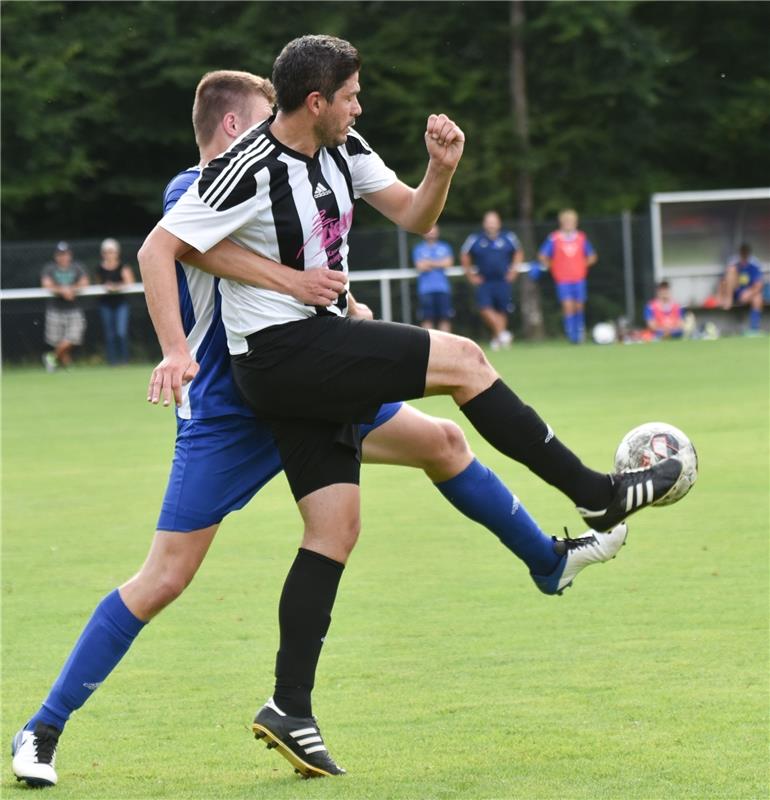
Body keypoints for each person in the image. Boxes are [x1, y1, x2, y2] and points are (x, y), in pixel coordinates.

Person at [11, 68, 628, 790]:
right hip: (229, 411)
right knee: (165, 577)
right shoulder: (193, 189)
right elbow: (183, 249)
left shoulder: (291, 173)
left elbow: (306, 256)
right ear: (238, 127)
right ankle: (42, 728)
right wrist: (194, 341)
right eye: (267, 112)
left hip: (307, 381)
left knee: (441, 442)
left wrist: (345, 306)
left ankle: (548, 562)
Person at [138, 37, 681, 778]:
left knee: (334, 528)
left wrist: (442, 169)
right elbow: (158, 250)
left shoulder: (344, 146)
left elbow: (417, 217)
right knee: (465, 360)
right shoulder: (248, 167)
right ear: (317, 100)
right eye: (352, 94)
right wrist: (176, 349)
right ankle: (596, 495)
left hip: (305, 354)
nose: (361, 105)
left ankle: (288, 708)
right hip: (284, 355)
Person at [460, 210, 521, 349]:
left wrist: (514, 270)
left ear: (499, 223)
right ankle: (503, 334)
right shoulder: (475, 239)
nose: (491, 224)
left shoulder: (508, 237)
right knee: (484, 308)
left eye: (494, 221)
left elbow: (518, 252)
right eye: (489, 221)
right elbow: (464, 255)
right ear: (484, 224)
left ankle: (497, 340)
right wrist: (470, 275)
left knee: (502, 310)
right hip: (485, 281)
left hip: (502, 281)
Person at [538, 209, 597, 344]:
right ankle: (571, 335)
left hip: (579, 278)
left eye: (571, 221)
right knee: (568, 306)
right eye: (566, 222)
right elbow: (542, 255)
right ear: (561, 223)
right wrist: (551, 265)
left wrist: (581, 265)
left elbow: (592, 256)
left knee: (579, 305)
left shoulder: (581, 237)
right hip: (563, 279)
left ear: (575, 223)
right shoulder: (554, 238)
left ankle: (580, 332)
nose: (568, 224)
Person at [40, 241, 89, 371]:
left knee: (73, 338)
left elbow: (84, 282)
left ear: (70, 255)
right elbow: (46, 284)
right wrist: (63, 291)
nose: (63, 257)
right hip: (55, 309)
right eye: (60, 254)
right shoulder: (49, 268)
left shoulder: (77, 267)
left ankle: (51, 357)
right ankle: (67, 367)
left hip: (74, 310)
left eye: (65, 254)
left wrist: (71, 290)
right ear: (56, 256)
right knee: (57, 341)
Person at [97, 238, 135, 365]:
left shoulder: (123, 266)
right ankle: (112, 362)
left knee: (121, 332)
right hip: (105, 304)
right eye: (107, 252)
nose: (109, 254)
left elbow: (130, 282)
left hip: (121, 304)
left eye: (112, 251)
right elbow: (97, 285)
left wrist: (116, 287)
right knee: (110, 334)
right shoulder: (99, 268)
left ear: (117, 252)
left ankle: (124, 361)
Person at [412, 224, 454, 331]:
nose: (431, 233)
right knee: (427, 318)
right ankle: (429, 345)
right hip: (425, 290)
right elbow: (420, 266)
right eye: (429, 231)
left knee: (445, 318)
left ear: (438, 232)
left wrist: (430, 263)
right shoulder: (418, 249)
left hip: (443, 288)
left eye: (433, 231)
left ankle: (445, 345)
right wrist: (439, 263)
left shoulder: (445, 247)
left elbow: (448, 263)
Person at [718, 243, 764, 333]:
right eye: (742, 252)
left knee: (758, 299)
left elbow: (759, 285)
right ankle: (728, 299)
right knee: (731, 270)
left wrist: (749, 293)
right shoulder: (733, 263)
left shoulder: (754, 264)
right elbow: (723, 282)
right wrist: (720, 296)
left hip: (748, 293)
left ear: (748, 253)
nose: (743, 254)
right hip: (735, 292)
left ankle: (754, 329)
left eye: (745, 252)